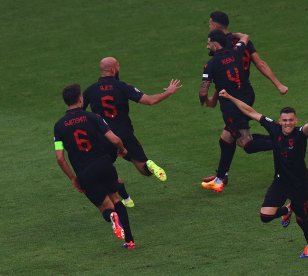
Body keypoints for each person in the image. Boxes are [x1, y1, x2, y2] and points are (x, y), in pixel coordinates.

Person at [219, 89, 308, 259]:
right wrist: (230, 97)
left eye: (290, 120)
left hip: (299, 184)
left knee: (302, 220)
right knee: (265, 216)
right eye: (284, 120)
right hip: (280, 182)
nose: (287, 123)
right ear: (280, 121)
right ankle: (287, 211)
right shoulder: (273, 128)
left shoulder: (300, 134)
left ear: (295, 121)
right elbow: (250, 112)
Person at [201, 11, 289, 185]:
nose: (209, 26)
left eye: (210, 23)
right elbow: (259, 63)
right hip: (244, 92)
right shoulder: (241, 43)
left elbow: (221, 78)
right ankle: (221, 177)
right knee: (226, 138)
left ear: (216, 26)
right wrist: (278, 84)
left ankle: (283, 140)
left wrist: (211, 99)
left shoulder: (222, 49)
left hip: (234, 98)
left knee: (244, 141)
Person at [83, 57, 182, 207]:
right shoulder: (122, 86)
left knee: (107, 172)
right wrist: (168, 92)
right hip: (125, 134)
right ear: (113, 69)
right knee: (144, 170)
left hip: (104, 137)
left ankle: (125, 200)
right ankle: (149, 165)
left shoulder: (90, 90)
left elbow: (80, 113)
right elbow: (149, 100)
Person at [54, 84, 136, 249]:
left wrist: (73, 179)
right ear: (80, 99)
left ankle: (111, 215)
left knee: (104, 207)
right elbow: (114, 139)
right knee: (115, 198)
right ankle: (130, 241)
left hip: (84, 173)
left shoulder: (59, 126)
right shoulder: (93, 117)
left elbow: (60, 158)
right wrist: (122, 149)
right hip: (104, 165)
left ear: (66, 102)